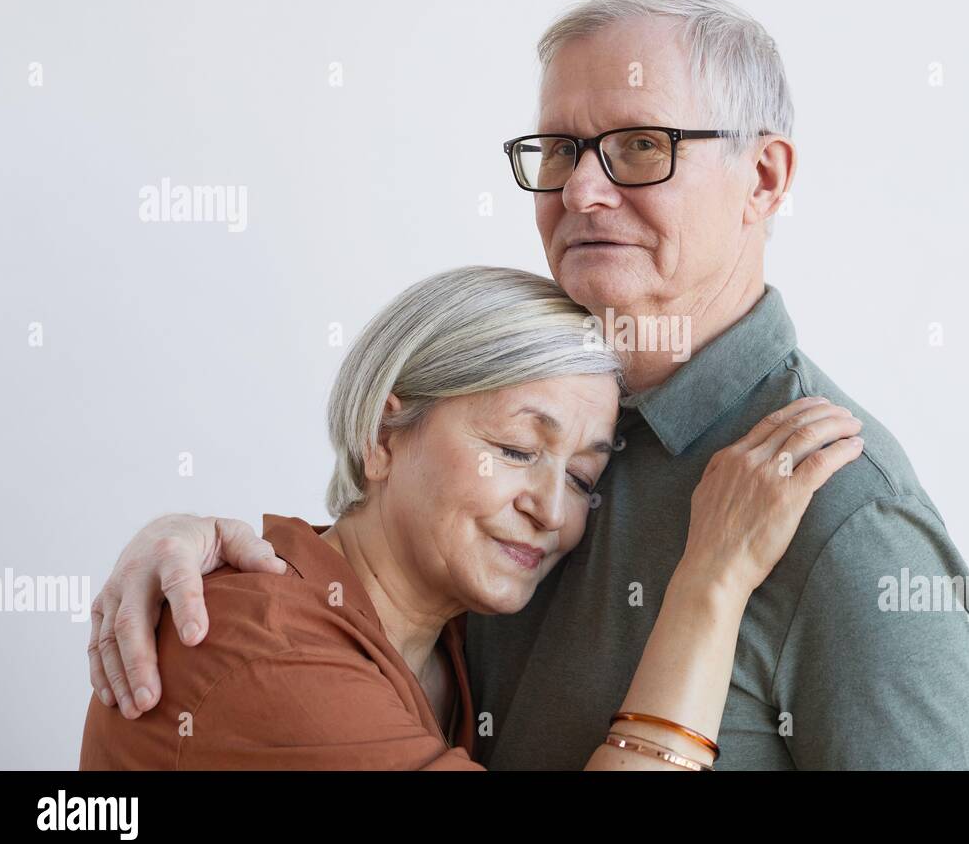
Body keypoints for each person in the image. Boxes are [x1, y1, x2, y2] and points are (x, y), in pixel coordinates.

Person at [88, 0, 969, 769]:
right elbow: (337, 616)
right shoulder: (537, 408)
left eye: (641, 145)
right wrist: (201, 546)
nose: (583, 193)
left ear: (762, 176)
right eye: (559, 151)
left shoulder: (846, 517)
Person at [79, 265, 863, 770]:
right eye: (519, 450)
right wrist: (712, 581)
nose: (552, 511)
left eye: (583, 477)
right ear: (382, 437)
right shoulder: (266, 651)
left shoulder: (450, 640)